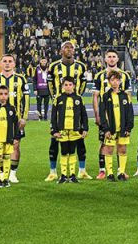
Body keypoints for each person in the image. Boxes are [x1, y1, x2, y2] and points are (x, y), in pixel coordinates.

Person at [46, 41, 88, 182]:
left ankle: (81, 171)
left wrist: (77, 97)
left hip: (75, 106)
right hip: (60, 106)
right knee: (55, 140)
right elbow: (50, 84)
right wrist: (55, 98)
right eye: (66, 47)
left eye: (71, 47)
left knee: (79, 140)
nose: (69, 49)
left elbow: (83, 84)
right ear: (61, 50)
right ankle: (53, 172)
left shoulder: (81, 66)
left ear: (74, 50)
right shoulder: (53, 66)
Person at [0, 54, 27, 184]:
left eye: (10, 61)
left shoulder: (21, 79)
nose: (7, 63)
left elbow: (25, 99)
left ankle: (12, 173)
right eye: (5, 61)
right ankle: (2, 173)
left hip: (15, 120)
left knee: (15, 145)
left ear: (14, 64)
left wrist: (24, 117)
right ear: (0, 63)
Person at [92, 49, 130, 180]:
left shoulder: (125, 75)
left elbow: (128, 96)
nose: (112, 59)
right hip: (106, 115)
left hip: (121, 114)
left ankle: (121, 171)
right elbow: (95, 97)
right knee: (104, 143)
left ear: (117, 59)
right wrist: (97, 115)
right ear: (105, 59)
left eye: (114, 56)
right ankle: (103, 170)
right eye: (109, 56)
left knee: (121, 143)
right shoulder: (99, 76)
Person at [50, 77, 89, 184]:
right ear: (62, 86)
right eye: (66, 85)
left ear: (74, 86)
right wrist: (54, 130)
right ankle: (63, 175)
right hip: (62, 131)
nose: (68, 87)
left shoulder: (79, 98)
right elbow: (53, 116)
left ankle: (72, 175)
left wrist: (85, 128)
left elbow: (84, 115)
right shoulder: (58, 99)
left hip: (74, 130)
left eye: (70, 85)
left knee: (72, 151)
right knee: (63, 151)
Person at [98, 70, 134, 182]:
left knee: (122, 149)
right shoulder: (105, 96)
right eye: (112, 80)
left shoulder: (125, 95)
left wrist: (128, 128)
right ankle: (109, 173)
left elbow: (130, 113)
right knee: (109, 149)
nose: (115, 82)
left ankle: (121, 172)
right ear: (109, 81)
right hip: (110, 129)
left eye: (117, 80)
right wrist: (106, 129)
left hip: (123, 128)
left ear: (120, 81)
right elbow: (102, 114)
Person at [0, 85, 21, 188]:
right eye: (1, 94)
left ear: (8, 95)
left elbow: (16, 124)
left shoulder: (12, 108)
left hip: (8, 138)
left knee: (7, 158)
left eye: (5, 94)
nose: (3, 96)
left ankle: (6, 179)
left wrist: (16, 137)